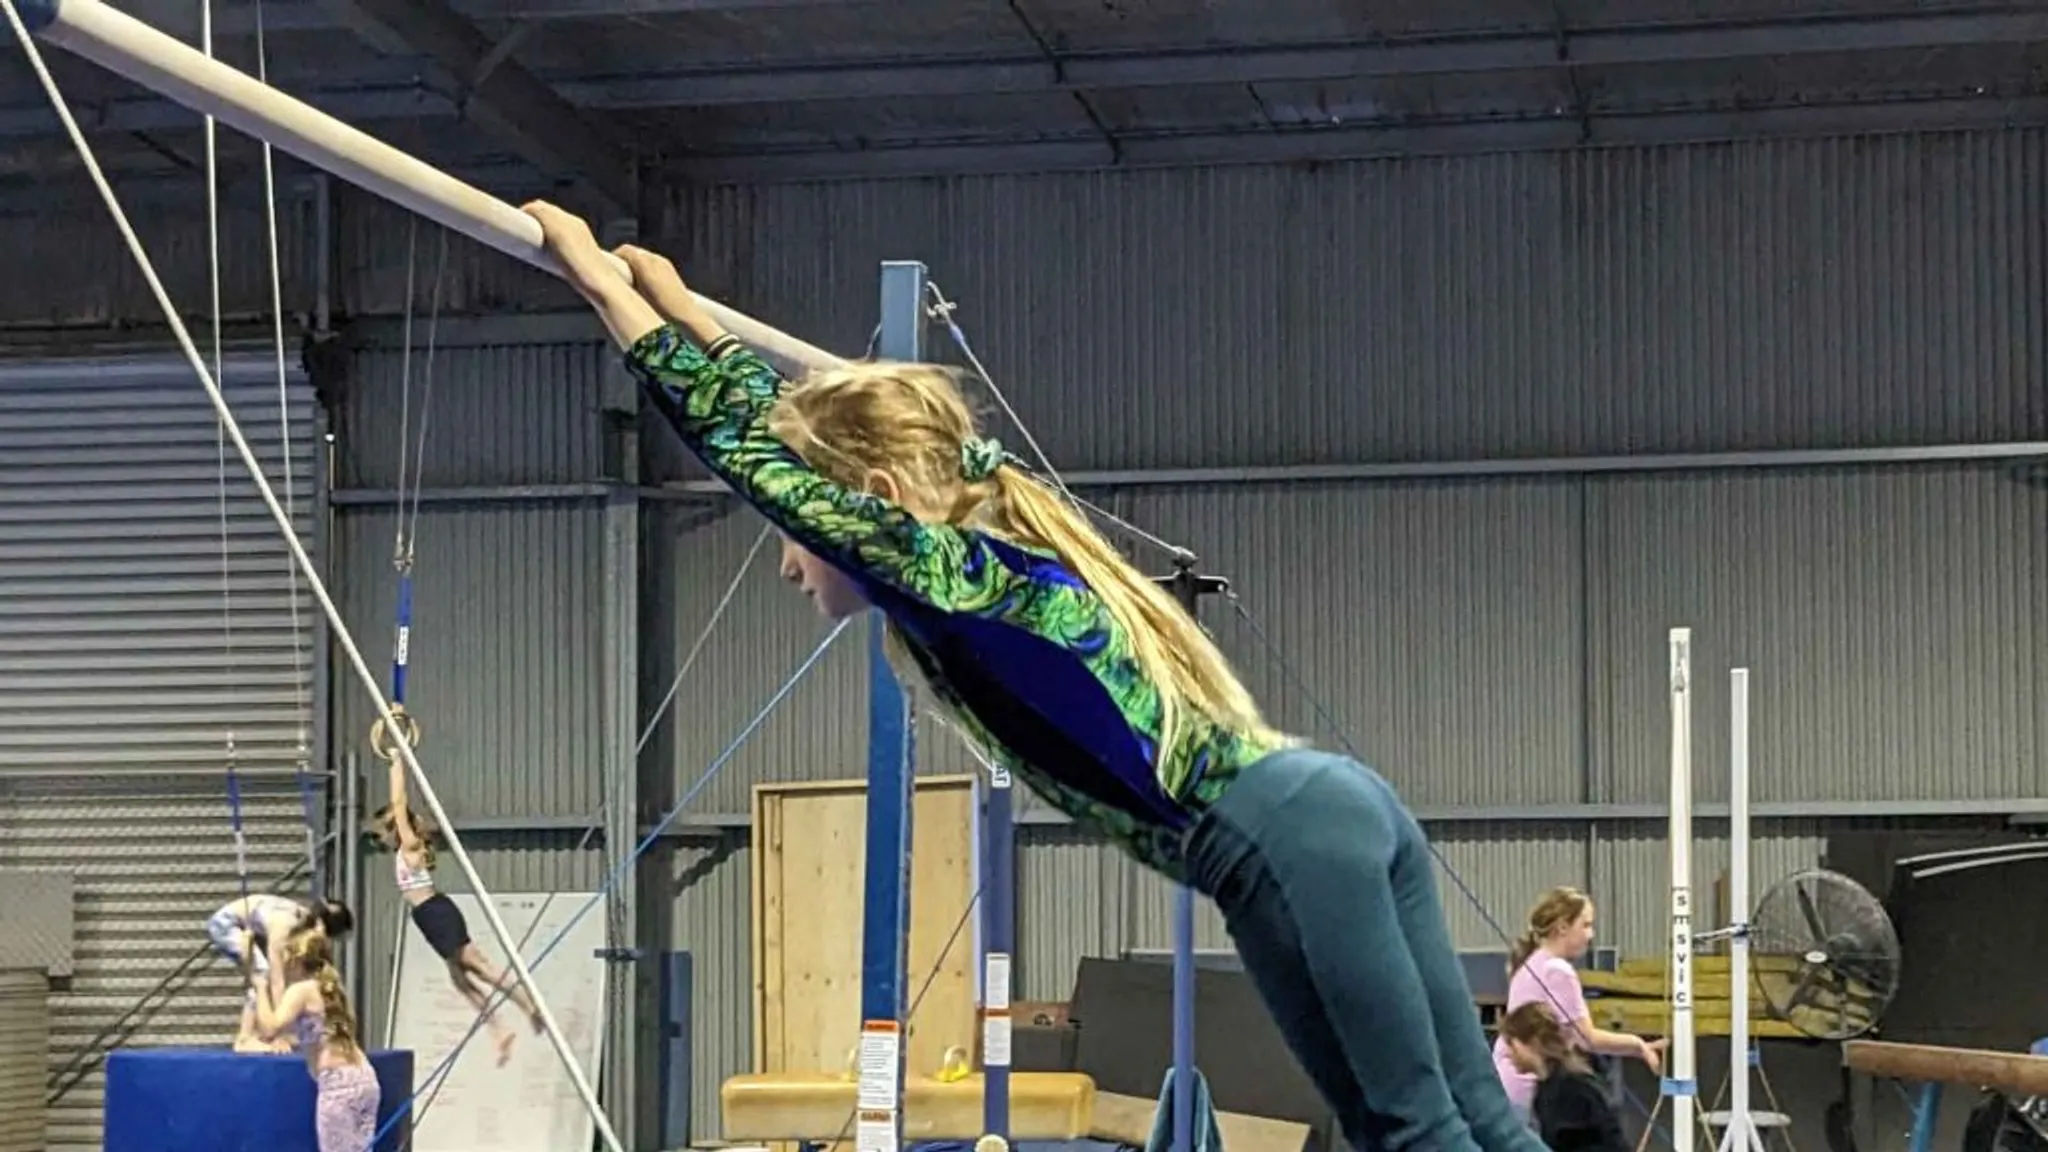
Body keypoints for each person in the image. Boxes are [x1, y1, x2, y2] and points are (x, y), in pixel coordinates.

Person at [522, 199, 1545, 1152]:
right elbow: (781, 442)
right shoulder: (991, 561)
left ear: (873, 502)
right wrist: (687, 315)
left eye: (796, 534)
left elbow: (758, 462)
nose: (788, 562)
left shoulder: (957, 579)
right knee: (1477, 1122)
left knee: (1412, 1131)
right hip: (1327, 805)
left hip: (1273, 839)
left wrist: (603, 290)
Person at [374, 755, 542, 1064]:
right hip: (427, 916)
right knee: (461, 979)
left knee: (478, 966)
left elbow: (399, 802)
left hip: (436, 912)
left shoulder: (410, 845)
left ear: (396, 827)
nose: (379, 837)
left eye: (382, 831)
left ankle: (528, 1005)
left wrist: (396, 763)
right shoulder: (404, 850)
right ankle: (500, 1029)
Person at [1493, 887, 1663, 1120]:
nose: (1591, 935)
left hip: (1509, 1083)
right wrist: (1638, 1045)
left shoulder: (1531, 962)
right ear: (1563, 927)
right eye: (1585, 925)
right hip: (1528, 1087)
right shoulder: (1557, 971)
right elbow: (1587, 1038)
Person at [245, 930, 381, 1152]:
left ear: (296, 962)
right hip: (364, 1078)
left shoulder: (301, 990)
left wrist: (259, 988)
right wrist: (287, 1039)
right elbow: (317, 1031)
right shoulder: (333, 989)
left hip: (337, 1084)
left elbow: (269, 1028)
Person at [206, 892, 353, 1049]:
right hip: (225, 924)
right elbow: (278, 980)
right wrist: (280, 1033)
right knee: (262, 972)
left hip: (251, 924)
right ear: (320, 926)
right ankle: (245, 1038)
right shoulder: (284, 927)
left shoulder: (300, 920)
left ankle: (259, 1034)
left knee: (266, 973)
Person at [1497, 1003, 1629, 1152]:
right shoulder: (1545, 1089)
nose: (1508, 1053)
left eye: (1512, 1044)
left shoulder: (1574, 1087)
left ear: (1532, 1043)